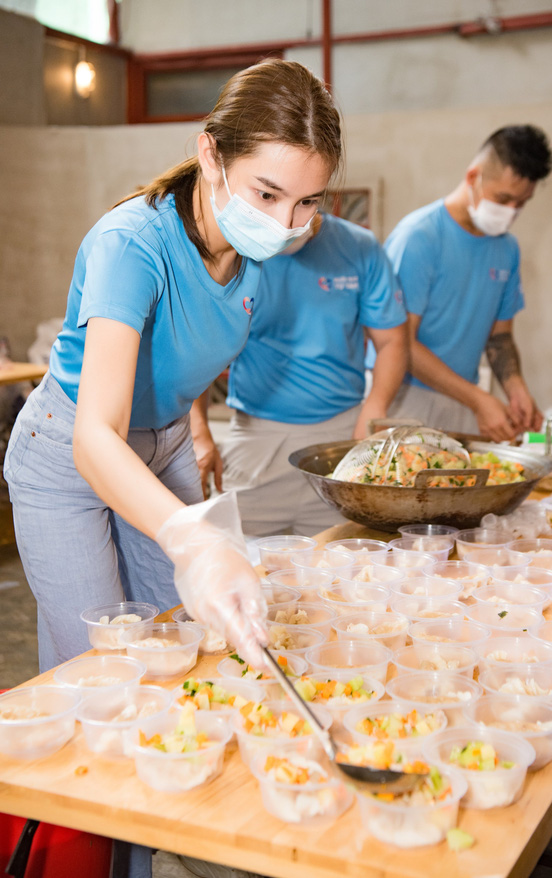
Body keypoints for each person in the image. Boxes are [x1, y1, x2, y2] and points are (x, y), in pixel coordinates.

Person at [3, 59, 341, 877]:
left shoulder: (259, 257)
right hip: (68, 454)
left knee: (187, 644)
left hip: (155, 445)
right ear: (211, 155)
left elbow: (180, 350)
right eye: (267, 194)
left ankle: (162, 832)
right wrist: (192, 538)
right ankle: (88, 854)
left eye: (307, 202)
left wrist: (192, 431)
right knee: (107, 667)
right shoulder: (131, 243)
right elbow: (96, 434)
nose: (288, 221)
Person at [192, 211, 407, 536]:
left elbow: (391, 340)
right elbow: (199, 348)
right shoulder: (234, 249)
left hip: (342, 439)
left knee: (342, 565)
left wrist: (374, 409)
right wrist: (198, 432)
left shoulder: (359, 246)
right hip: (256, 438)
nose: (288, 217)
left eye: (304, 203)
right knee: (240, 563)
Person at [382, 125, 552, 441]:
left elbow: (499, 338)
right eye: (504, 198)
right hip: (404, 398)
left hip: (462, 399)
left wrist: (516, 389)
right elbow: (400, 344)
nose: (510, 212)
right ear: (473, 177)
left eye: (521, 204)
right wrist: (479, 399)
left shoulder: (506, 248)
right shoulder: (419, 238)